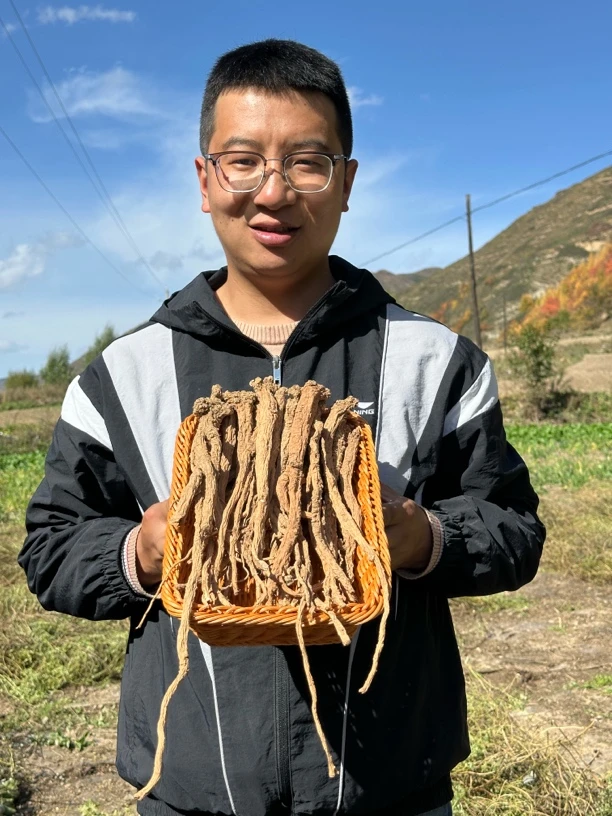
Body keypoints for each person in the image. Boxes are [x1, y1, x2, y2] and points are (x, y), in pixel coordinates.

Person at [19, 39, 545, 816]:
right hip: (193, 792)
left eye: (308, 162)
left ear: (347, 182)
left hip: (390, 788)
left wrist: (421, 537)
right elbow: (51, 547)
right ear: (205, 180)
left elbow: (514, 528)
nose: (274, 191)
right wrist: (146, 551)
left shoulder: (437, 361)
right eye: (242, 162)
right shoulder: (122, 375)